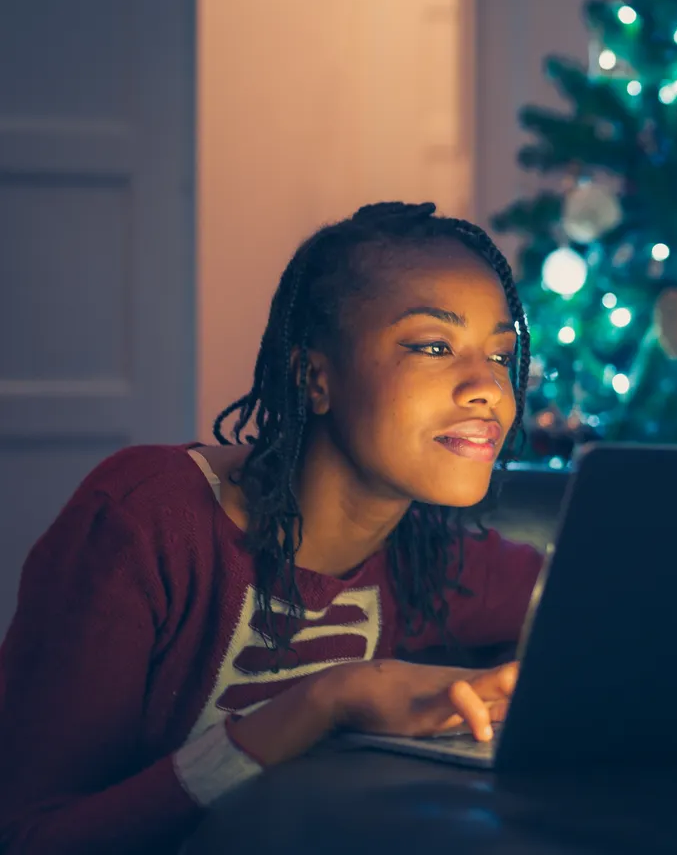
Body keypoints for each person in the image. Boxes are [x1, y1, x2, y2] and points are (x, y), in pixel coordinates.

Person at [0, 202, 546, 854]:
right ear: (315, 376)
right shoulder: (145, 518)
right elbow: (31, 837)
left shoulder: (427, 560)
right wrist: (327, 698)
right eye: (433, 345)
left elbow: (605, 603)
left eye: (500, 354)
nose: (488, 387)